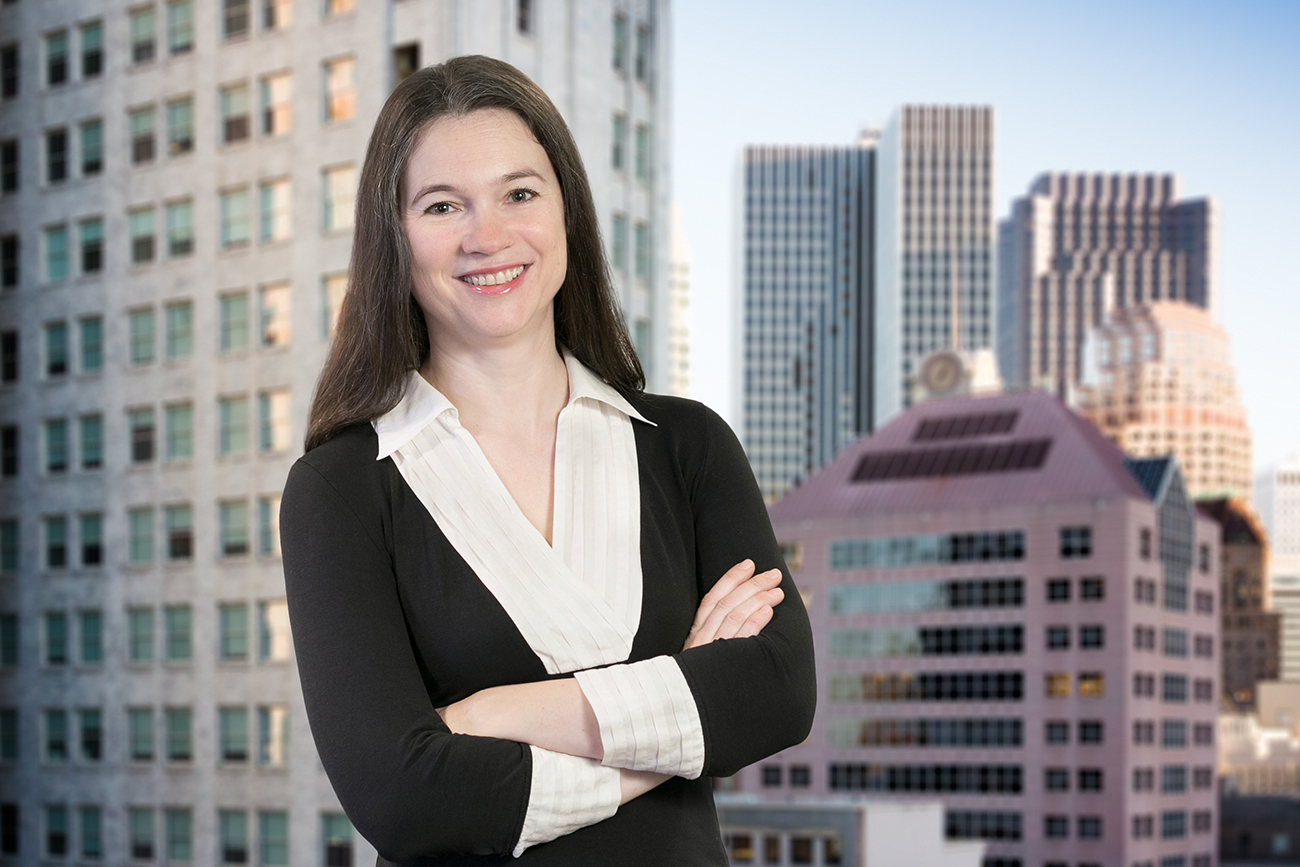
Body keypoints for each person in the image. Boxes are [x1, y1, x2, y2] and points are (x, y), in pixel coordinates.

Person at [279, 55, 815, 866]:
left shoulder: (687, 445)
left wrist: (489, 715)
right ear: (394, 238)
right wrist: (684, 713)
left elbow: (778, 692)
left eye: (520, 194)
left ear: (567, 211)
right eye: (442, 205)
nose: (487, 237)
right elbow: (405, 799)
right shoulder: (341, 489)